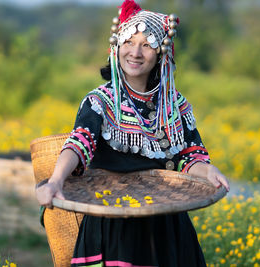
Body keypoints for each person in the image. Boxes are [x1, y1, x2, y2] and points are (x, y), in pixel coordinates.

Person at [36, 0, 230, 266]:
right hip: (113, 226)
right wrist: (56, 180)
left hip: (166, 224)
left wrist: (209, 171)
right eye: (128, 42)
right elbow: (79, 144)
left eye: (147, 44)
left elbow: (188, 156)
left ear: (161, 53)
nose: (136, 53)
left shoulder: (175, 105)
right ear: (117, 48)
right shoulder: (100, 101)